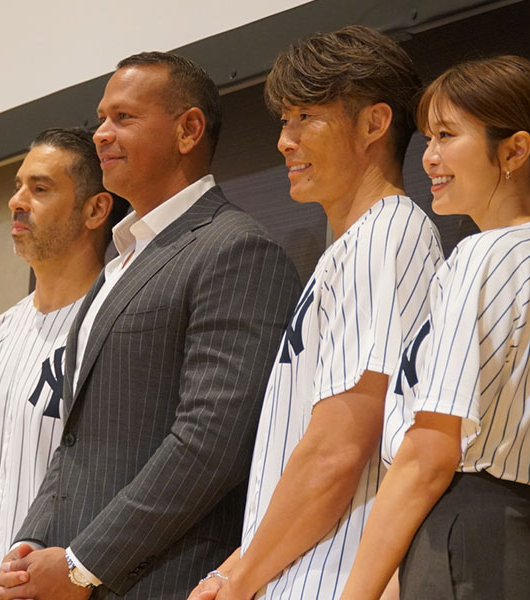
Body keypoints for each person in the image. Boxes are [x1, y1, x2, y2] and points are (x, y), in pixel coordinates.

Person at [0, 51, 302, 600]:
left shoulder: (234, 248)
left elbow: (211, 442)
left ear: (188, 130)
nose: (101, 135)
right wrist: (33, 540)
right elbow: (77, 440)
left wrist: (83, 563)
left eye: (123, 118)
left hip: (166, 581)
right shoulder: (117, 264)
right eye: (101, 119)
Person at [188, 25, 443, 600]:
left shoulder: (388, 235)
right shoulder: (353, 246)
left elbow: (340, 448)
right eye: (285, 119)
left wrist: (239, 578)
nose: (285, 140)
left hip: (335, 577)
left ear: (375, 123)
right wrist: (233, 571)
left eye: (306, 117)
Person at [341, 55, 530, 600]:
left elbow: (430, 450)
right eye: (427, 138)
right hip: (517, 539)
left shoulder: (488, 251)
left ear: (514, 150)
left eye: (446, 135)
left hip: (465, 533)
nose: (430, 157)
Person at [0, 127, 127, 598]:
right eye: (17, 186)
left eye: (40, 188)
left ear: (96, 209)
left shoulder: (121, 325)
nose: (17, 201)